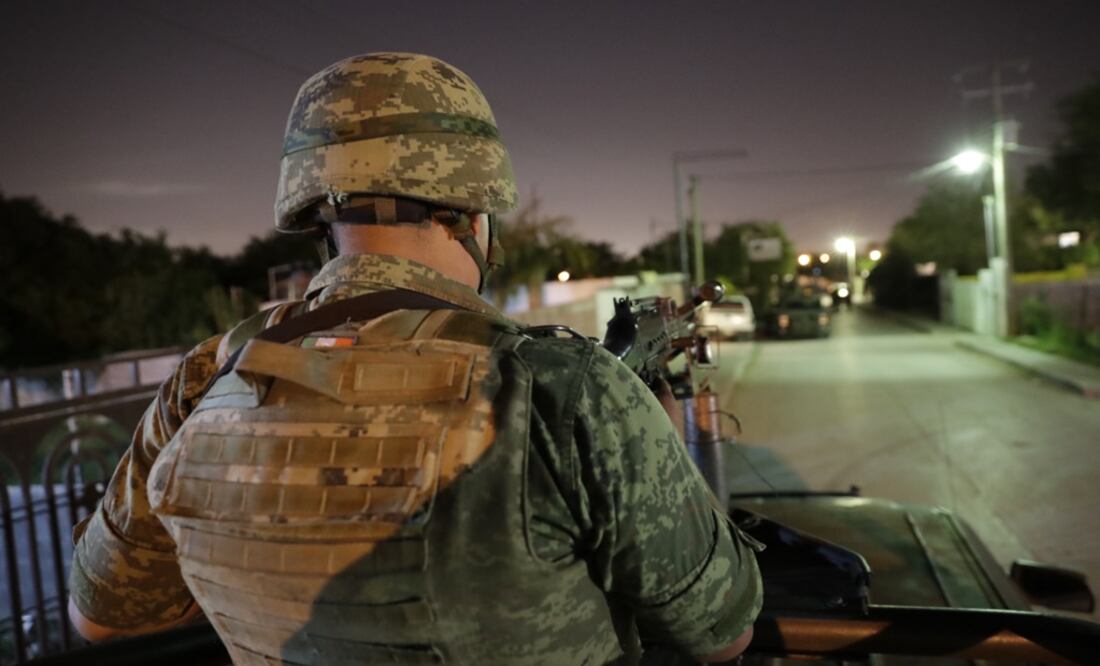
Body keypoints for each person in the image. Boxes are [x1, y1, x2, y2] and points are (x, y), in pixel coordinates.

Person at [68, 52, 762, 665]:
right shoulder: (563, 391)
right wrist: (661, 445)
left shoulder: (209, 375)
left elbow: (100, 616)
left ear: (315, 213)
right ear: (474, 208)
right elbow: (722, 630)